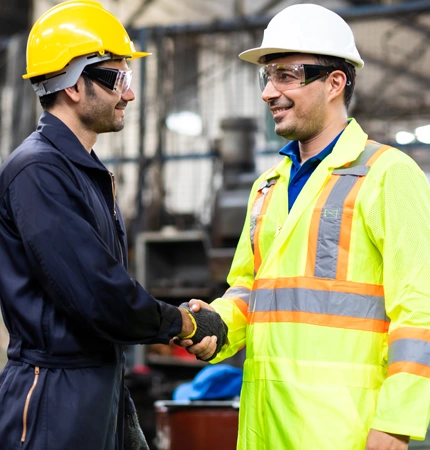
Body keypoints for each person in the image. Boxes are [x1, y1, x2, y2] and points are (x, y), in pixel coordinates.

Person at [177, 4, 430, 450]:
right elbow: (248, 290)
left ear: (335, 83)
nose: (268, 92)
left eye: (287, 75)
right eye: (267, 77)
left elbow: (419, 307)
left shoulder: (388, 173)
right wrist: (215, 326)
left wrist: (396, 422)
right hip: (265, 424)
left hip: (342, 432)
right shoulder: (267, 187)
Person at [0, 1, 224, 449]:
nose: (130, 95)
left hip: (95, 386)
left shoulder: (82, 169)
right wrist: (181, 323)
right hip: (53, 399)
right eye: (118, 79)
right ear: (74, 84)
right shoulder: (39, 172)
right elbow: (99, 294)